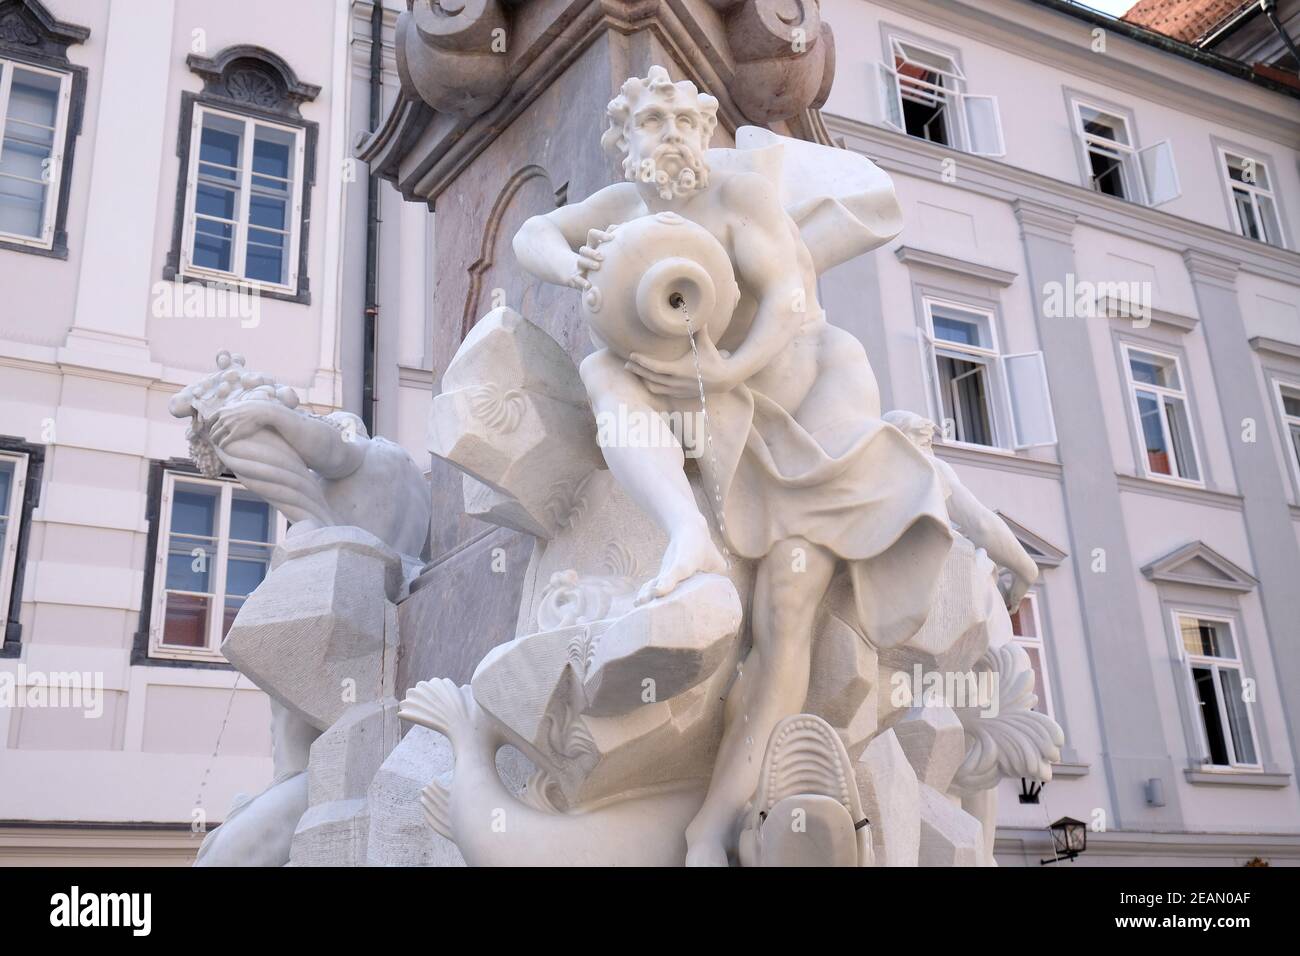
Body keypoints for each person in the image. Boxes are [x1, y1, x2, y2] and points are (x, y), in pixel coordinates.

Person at [513, 66, 952, 865]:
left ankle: (713, 819)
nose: (674, 136)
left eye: (686, 122)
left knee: (790, 604)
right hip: (712, 414)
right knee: (602, 371)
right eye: (654, 123)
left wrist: (723, 370)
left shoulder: (737, 192)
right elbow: (531, 235)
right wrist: (572, 267)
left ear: (706, 131)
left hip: (806, 398)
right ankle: (688, 536)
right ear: (625, 141)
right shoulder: (621, 210)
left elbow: (787, 297)